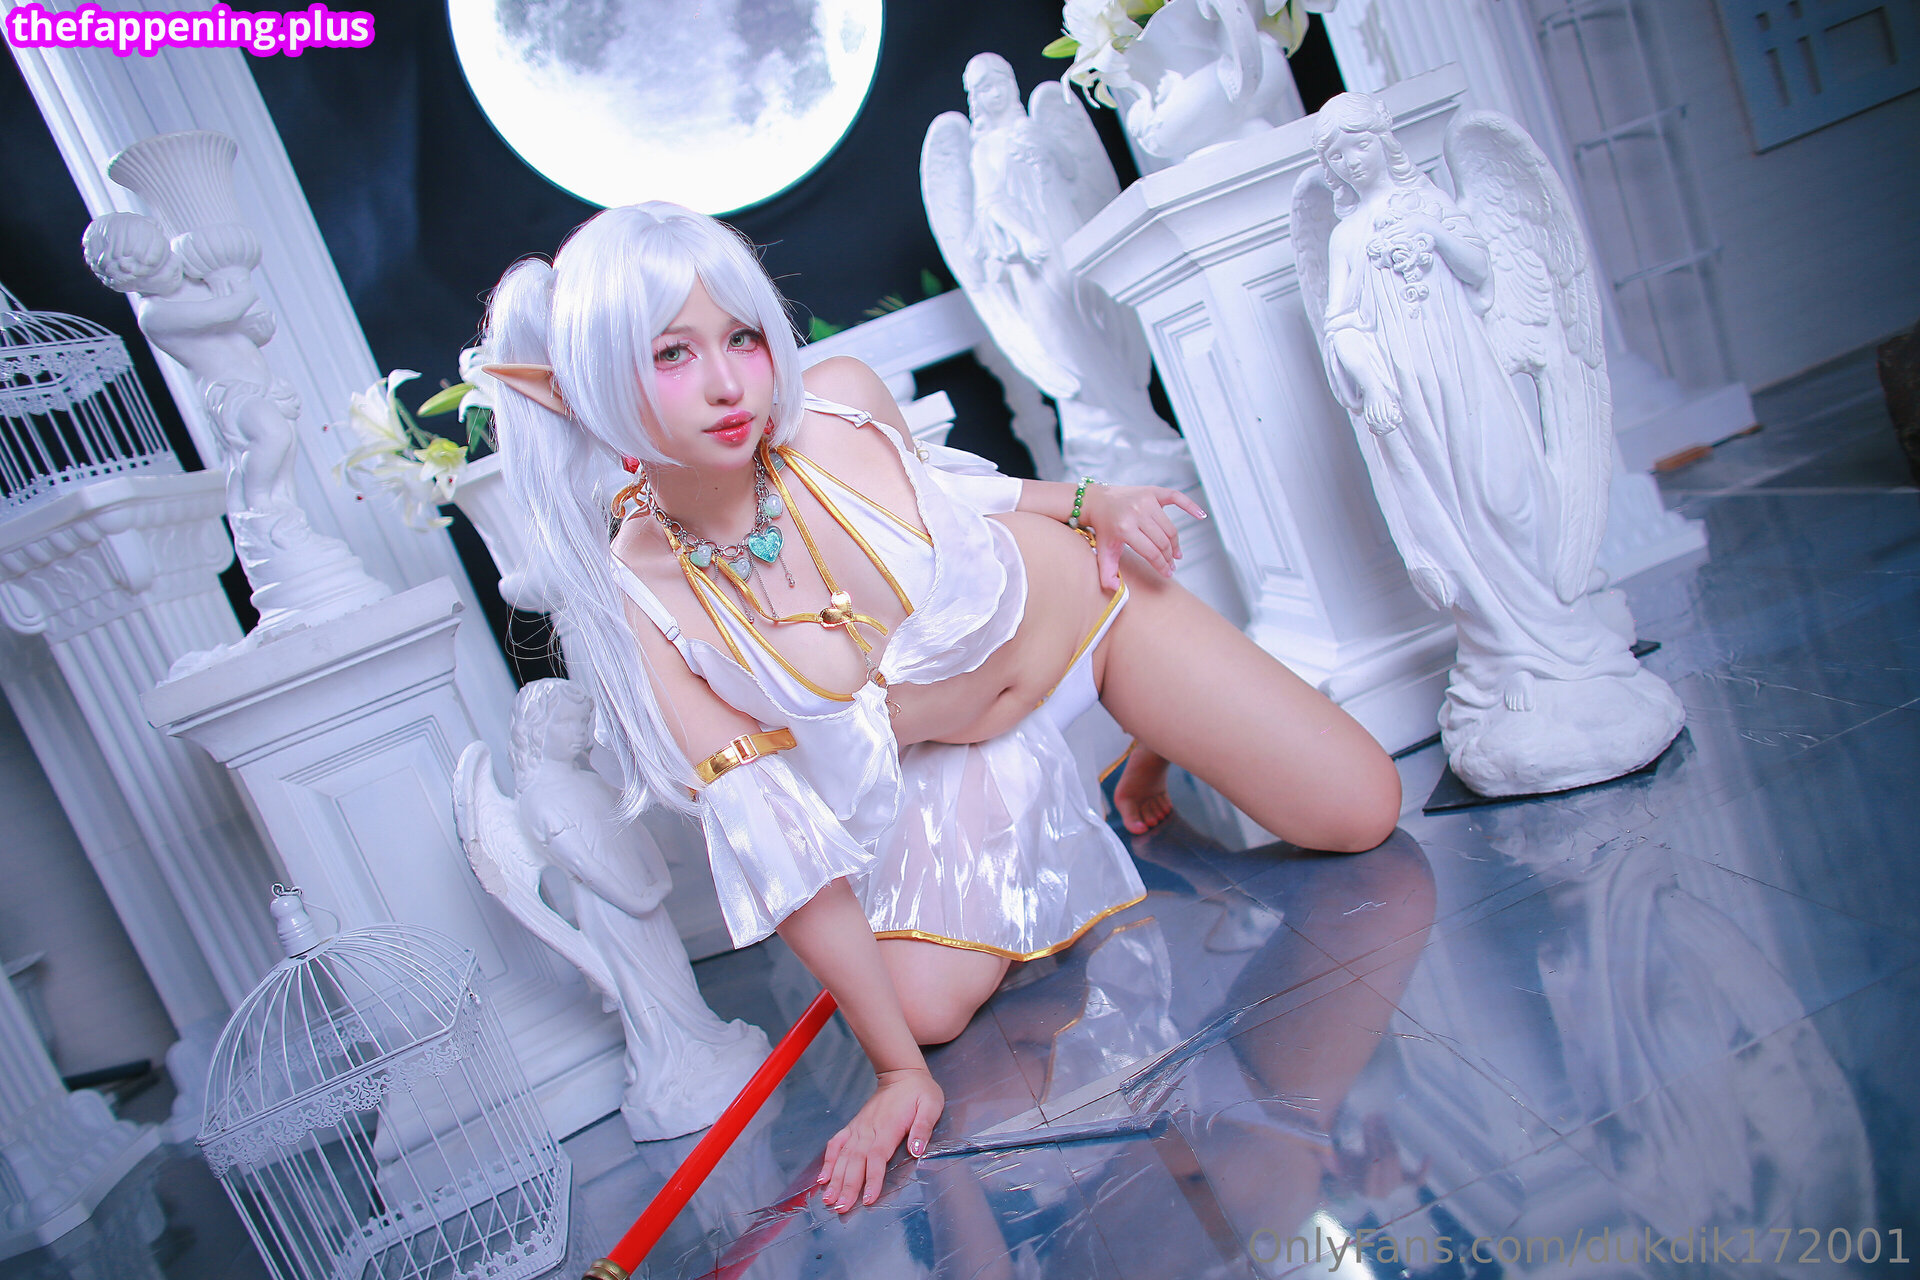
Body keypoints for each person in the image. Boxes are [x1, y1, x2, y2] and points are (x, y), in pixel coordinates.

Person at [483, 202, 1399, 1216]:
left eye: (741, 336)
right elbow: (777, 838)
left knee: (1361, 809)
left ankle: (1149, 728)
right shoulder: (647, 599)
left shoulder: (837, 404)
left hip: (1088, 626)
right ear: (594, 383)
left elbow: (968, 497)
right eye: (672, 353)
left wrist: (1088, 501)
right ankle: (1095, 776)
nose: (729, 381)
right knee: (917, 1016)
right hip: (949, 756)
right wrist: (895, 1073)